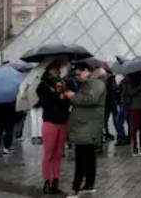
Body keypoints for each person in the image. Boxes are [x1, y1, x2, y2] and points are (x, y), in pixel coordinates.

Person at [65, 62, 106, 198]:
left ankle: (75, 187)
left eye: (79, 74)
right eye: (75, 74)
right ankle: (89, 184)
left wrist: (73, 97)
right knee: (88, 156)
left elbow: (91, 99)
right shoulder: (89, 83)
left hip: (87, 126)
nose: (77, 77)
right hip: (86, 125)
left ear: (88, 71)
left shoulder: (96, 83)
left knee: (81, 158)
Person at [37, 59, 70, 195]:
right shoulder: (42, 85)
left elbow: (67, 100)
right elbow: (45, 103)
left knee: (58, 154)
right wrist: (57, 95)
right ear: (49, 69)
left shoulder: (62, 83)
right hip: (50, 122)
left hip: (62, 121)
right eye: (56, 68)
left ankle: (55, 182)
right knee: (48, 154)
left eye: (59, 68)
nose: (59, 70)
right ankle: (46, 182)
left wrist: (65, 96)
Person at [127, 72, 141, 156]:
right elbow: (130, 92)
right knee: (135, 128)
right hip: (135, 107)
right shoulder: (131, 79)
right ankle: (135, 147)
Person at [114, 76, 130, 146]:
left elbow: (126, 92)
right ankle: (125, 137)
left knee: (119, 121)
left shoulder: (126, 81)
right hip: (125, 102)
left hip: (125, 103)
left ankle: (122, 137)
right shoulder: (125, 80)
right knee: (127, 121)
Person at [104, 73, 119, 142]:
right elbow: (114, 88)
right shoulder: (110, 78)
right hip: (110, 101)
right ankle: (118, 133)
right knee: (108, 118)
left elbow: (114, 88)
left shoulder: (110, 78)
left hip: (110, 101)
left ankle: (108, 133)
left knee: (110, 118)